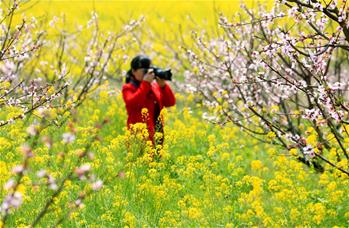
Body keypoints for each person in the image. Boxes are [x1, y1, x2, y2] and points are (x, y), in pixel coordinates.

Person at [122, 55, 176, 147]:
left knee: (156, 160)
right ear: (134, 71)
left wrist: (163, 86)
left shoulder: (154, 86)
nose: (147, 73)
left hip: (157, 134)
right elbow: (132, 103)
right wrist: (145, 83)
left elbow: (170, 102)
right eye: (144, 71)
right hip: (138, 137)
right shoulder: (128, 88)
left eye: (149, 70)